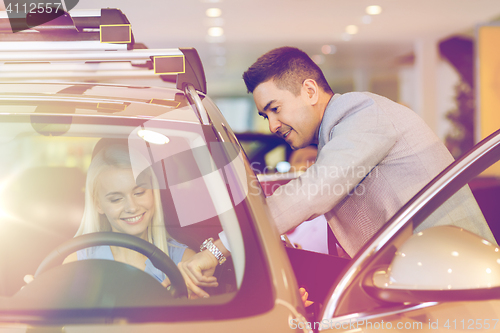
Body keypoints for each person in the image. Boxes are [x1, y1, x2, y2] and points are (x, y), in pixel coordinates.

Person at [178, 46, 496, 297]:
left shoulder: (364, 114)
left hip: (456, 284)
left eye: (275, 109)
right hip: (416, 280)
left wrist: (217, 249)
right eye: (265, 116)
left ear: (310, 91)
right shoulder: (336, 135)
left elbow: (315, 190)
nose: (273, 125)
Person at [63, 143, 197, 289]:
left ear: (153, 191)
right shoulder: (77, 264)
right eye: (116, 199)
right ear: (98, 205)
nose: (132, 207)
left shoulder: (184, 262)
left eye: (139, 193)